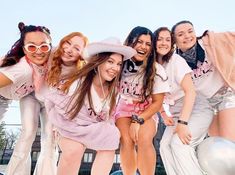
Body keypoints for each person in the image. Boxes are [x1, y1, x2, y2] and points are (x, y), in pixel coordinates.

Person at [44, 37, 136, 175]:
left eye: (118, 64)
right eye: (110, 62)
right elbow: (58, 109)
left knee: (112, 134)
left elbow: (108, 119)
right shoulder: (77, 83)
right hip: (69, 126)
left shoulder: (112, 92)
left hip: (92, 129)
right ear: (98, 62)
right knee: (75, 149)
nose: (115, 68)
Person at [154, 27, 214, 175]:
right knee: (164, 146)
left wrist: (183, 123)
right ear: (154, 42)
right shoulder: (151, 67)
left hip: (195, 108)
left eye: (168, 39)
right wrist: (163, 114)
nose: (164, 43)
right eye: (160, 39)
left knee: (179, 144)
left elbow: (191, 92)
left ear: (172, 44)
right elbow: (155, 95)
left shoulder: (176, 60)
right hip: (175, 113)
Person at [2, 22, 56, 175]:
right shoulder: (21, 69)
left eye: (44, 46)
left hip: (47, 97)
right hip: (15, 95)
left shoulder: (56, 56)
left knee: (51, 139)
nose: (38, 51)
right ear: (24, 48)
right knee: (28, 132)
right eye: (32, 47)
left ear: (51, 46)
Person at [114, 26, 169, 175]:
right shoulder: (120, 64)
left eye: (148, 44)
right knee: (126, 140)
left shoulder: (156, 70)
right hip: (124, 108)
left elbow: (157, 102)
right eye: (139, 41)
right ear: (131, 42)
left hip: (146, 110)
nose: (143, 46)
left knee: (144, 139)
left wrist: (138, 120)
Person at [171, 20, 235, 142]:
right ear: (174, 40)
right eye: (181, 34)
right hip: (205, 103)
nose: (187, 36)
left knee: (229, 141)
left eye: (190, 31)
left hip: (225, 95)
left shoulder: (209, 43)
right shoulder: (175, 61)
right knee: (216, 143)